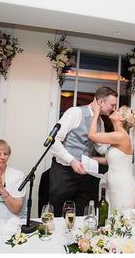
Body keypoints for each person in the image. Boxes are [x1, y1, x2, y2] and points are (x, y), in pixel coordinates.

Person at [49, 86, 118, 216]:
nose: (113, 109)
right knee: (58, 212)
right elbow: (54, 141)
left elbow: (100, 147)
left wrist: (118, 145)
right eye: (112, 105)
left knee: (82, 213)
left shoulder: (100, 122)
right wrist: (72, 161)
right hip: (64, 173)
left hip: (84, 174)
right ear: (101, 102)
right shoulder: (75, 113)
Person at [88, 100, 135, 211]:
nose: (115, 110)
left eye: (118, 110)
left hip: (123, 188)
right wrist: (91, 159)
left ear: (122, 118)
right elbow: (110, 161)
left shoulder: (121, 136)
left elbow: (92, 135)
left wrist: (96, 112)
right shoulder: (120, 136)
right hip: (113, 185)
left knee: (120, 221)